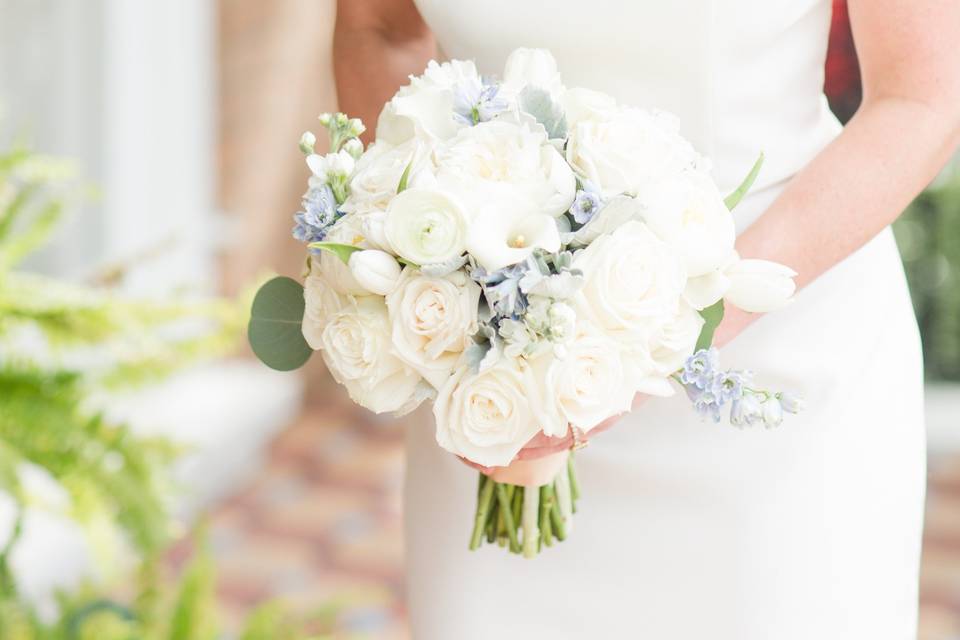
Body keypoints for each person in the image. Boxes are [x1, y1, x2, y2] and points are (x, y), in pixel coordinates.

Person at [333, 1, 960, 637]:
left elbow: (922, 99)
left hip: (774, 386)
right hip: (499, 384)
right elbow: (378, 29)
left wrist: (664, 332)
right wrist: (416, 247)